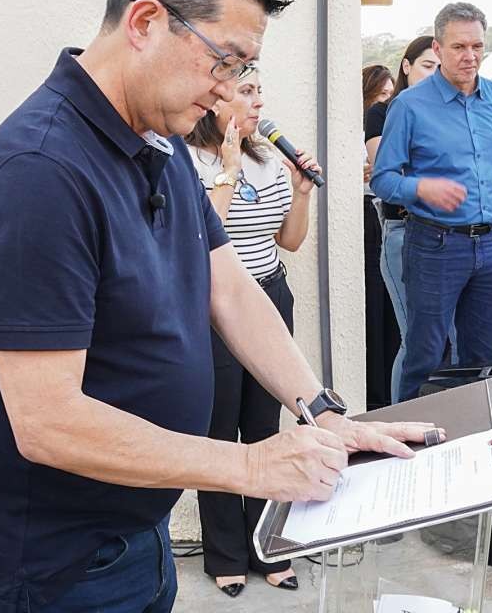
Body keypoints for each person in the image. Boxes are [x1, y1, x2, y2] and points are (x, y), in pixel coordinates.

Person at [0, 0, 440, 612]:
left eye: (244, 68)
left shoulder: (157, 139)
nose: (229, 87)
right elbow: (47, 420)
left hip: (139, 522)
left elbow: (229, 286)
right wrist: (248, 464)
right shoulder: (40, 171)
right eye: (224, 60)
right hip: (63, 561)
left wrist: (321, 412)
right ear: (146, 22)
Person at [185, 70, 320, 597]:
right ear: (216, 100)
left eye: (260, 90)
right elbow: (201, 238)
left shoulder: (268, 160)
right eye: (247, 91)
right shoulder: (188, 161)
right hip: (217, 309)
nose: (259, 102)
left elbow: (290, 240)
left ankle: (269, 548)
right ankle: (225, 555)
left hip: (270, 298)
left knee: (265, 429)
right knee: (219, 432)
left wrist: (302, 194)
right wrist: (228, 170)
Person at [371, 2, 492, 404]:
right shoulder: (409, 106)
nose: (470, 56)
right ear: (437, 49)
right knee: (426, 355)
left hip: (490, 246)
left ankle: (473, 433)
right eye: (459, 47)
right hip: (434, 246)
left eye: (477, 46)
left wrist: (484, 198)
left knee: (485, 359)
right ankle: (409, 436)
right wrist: (422, 189)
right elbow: (383, 179)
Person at [363, 36, 443, 404]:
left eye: (439, 68)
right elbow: (388, 173)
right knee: (415, 337)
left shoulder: (447, 111)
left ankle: (447, 410)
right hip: (404, 229)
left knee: (450, 336)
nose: (434, 74)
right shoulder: (383, 112)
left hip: (448, 234)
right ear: (406, 66)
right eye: (427, 65)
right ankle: (401, 415)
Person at [362, 64, 400, 410]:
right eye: (380, 95)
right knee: (374, 306)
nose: (385, 102)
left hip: (388, 214)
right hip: (367, 218)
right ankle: (377, 394)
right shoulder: (357, 129)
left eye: (390, 94)